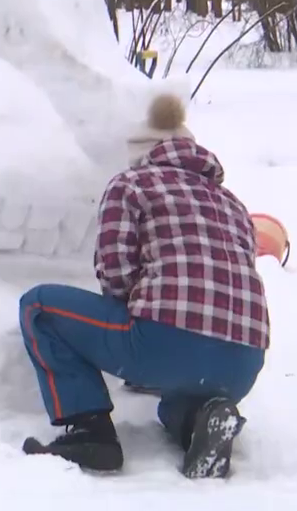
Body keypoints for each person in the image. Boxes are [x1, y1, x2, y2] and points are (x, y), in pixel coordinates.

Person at [19, 93, 269, 479]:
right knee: (173, 404)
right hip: (242, 364)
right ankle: (202, 420)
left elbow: (114, 267)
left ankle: (90, 430)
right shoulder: (233, 203)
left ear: (143, 152)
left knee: (38, 307)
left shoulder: (131, 184)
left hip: (164, 342)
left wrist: (130, 339)